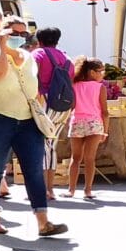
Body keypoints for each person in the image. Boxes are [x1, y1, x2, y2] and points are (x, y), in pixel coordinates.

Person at [0, 9, 66, 239]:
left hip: (27, 121)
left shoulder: (30, 58)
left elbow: (34, 89)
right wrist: (3, 47)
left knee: (34, 171)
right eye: (15, 33)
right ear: (1, 32)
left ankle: (43, 222)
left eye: (25, 34)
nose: (21, 38)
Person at [32, 26, 76, 199]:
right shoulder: (67, 58)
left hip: (44, 102)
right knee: (51, 146)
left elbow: (31, 79)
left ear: (39, 40)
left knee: (40, 146)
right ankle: (49, 189)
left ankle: (44, 189)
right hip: (63, 105)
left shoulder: (38, 54)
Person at [67, 56, 107, 201]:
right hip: (94, 123)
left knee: (75, 158)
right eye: (100, 71)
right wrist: (105, 131)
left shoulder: (74, 85)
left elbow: (71, 106)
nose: (102, 74)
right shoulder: (100, 87)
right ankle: (88, 190)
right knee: (90, 158)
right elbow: (105, 112)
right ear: (91, 72)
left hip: (77, 121)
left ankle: (71, 190)